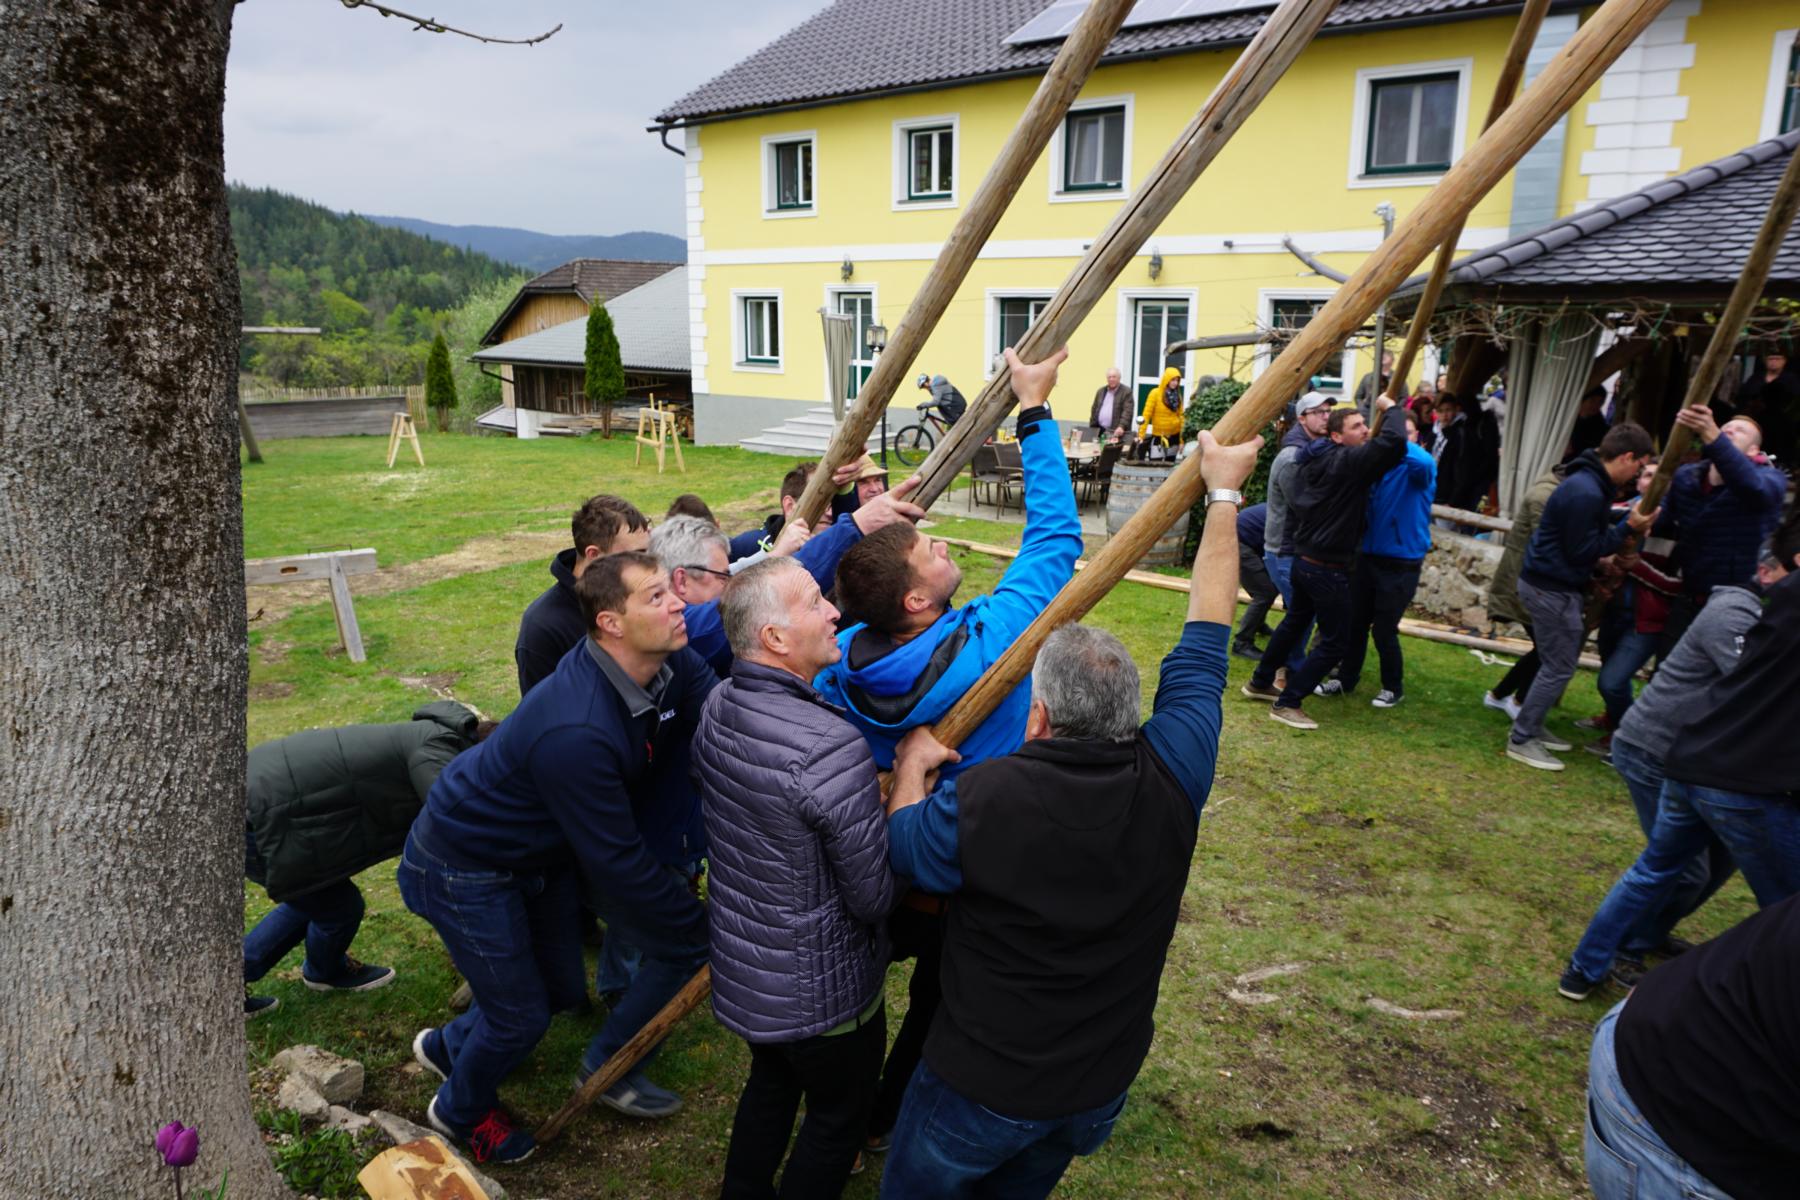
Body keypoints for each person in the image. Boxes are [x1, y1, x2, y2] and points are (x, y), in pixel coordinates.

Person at [874, 427, 1260, 1199]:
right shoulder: (1175, 769)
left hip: (980, 1087)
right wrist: (1223, 495)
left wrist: (912, 766)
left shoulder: (985, 800)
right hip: (1095, 1087)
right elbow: (1209, 628)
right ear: (1132, 706)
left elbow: (907, 847)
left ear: (1040, 716)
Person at [818, 347, 1082, 1156]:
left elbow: (843, 607)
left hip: (884, 857)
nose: (941, 546)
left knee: (864, 977)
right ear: (917, 599)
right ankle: (880, 1120)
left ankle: (842, 1105)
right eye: (929, 552)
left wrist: (860, 511)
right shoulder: (991, 643)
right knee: (938, 1000)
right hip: (964, 859)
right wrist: (1035, 411)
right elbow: (1055, 539)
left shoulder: (843, 663)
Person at [401, 552, 714, 1165]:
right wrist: (693, 924)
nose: (679, 602)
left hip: (533, 856)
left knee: (557, 990)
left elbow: (717, 705)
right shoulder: (578, 729)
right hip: (463, 864)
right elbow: (616, 862)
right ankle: (458, 1110)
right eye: (655, 596)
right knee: (520, 1017)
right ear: (611, 623)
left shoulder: (666, 660)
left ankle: (446, 1048)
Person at [694, 558, 899, 1199]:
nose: (835, 611)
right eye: (815, 602)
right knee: (836, 1121)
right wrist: (910, 785)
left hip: (753, 977)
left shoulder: (719, 704)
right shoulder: (829, 747)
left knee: (773, 1082)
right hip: (823, 995)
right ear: (776, 638)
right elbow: (872, 896)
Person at [1555, 548, 1788, 1002]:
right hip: (1655, 750)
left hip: (1708, 763)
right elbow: (1760, 685)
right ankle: (1612, 954)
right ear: (1764, 570)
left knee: (1719, 860)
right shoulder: (1733, 613)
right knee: (1679, 871)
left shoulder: (1767, 616)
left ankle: (1646, 935)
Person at [243, 702, 491, 1016]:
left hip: (263, 800)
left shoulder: (437, 736)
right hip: (261, 817)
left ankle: (320, 970)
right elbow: (453, 822)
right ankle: (233, 980)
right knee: (338, 908)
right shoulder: (436, 752)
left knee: (317, 899)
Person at [1585, 895, 1800, 1200]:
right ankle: (1590, 965)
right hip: (1683, 1108)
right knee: (1664, 875)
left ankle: (1628, 946)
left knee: (1691, 875)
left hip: (1667, 1032)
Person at [1658, 509, 1800, 905]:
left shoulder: (1775, 606)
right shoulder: (1738, 611)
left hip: (1711, 760)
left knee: (1672, 871)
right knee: (1780, 903)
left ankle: (1635, 938)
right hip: (1717, 766)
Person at [1244, 396, 1406, 730]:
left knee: (1294, 623)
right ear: (1336, 436)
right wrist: (1390, 408)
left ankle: (1260, 681)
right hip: (1326, 568)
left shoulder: (1318, 456)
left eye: (1365, 424)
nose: (1365, 430)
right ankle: (1288, 702)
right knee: (1336, 641)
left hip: (1305, 560)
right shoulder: (1346, 461)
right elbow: (1394, 443)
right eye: (1357, 427)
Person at [1506, 424, 1657, 771]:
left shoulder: (1591, 484)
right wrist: (1627, 528)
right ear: (1627, 457)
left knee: (1555, 664)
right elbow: (1583, 550)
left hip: (1554, 585)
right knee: (1558, 667)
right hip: (1551, 589)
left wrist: (1618, 526)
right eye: (1639, 466)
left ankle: (1531, 726)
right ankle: (1522, 738)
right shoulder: (1586, 490)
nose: (1637, 475)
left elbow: (1580, 535)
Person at [1320, 408, 1435, 707]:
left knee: (1384, 630)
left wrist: (1397, 441)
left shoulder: (1419, 469)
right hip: (1368, 557)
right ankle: (1346, 679)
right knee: (1355, 624)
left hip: (1402, 562)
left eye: (1407, 434)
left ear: (1417, 438)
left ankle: (1392, 687)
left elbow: (1423, 461)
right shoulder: (1378, 467)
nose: (1400, 440)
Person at [1654, 405, 1787, 649]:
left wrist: (1715, 435)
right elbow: (1663, 519)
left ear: (1754, 450)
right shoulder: (1687, 476)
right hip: (1689, 595)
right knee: (1668, 666)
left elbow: (1752, 488)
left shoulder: (1771, 479)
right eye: (1726, 427)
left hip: (1737, 601)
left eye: (1740, 431)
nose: (1730, 430)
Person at [516, 495, 650, 696]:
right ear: (594, 555)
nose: (647, 564)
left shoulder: (647, 597)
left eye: (647, 552)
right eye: (636, 555)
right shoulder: (543, 626)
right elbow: (545, 708)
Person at [1482, 464, 1564, 718]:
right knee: (1548, 647)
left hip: (1529, 580)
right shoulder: (1545, 495)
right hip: (1527, 582)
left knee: (1545, 647)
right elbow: (1548, 540)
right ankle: (1517, 702)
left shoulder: (1551, 491)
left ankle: (1500, 696)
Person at [1260, 392, 1331, 677]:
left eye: (1328, 411)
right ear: (1302, 418)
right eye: (1319, 412)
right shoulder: (1292, 457)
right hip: (1283, 550)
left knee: (1300, 613)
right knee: (1302, 614)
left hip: (1296, 548)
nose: (1326, 416)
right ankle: (1289, 669)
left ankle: (1284, 668)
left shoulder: (1313, 449)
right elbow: (1304, 504)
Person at [1727, 347, 1797, 462]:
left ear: (1784, 361)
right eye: (1770, 359)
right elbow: (1743, 397)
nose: (1773, 362)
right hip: (1754, 420)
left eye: (1777, 359)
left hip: (1780, 422)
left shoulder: (1791, 379)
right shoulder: (1756, 378)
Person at [1232, 501, 1277, 661]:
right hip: (1240, 541)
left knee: (1269, 587)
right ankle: (1242, 644)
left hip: (1249, 539)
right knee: (1264, 593)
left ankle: (1257, 625)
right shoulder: (1295, 514)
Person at [1137, 367, 1184, 457]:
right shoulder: (1155, 393)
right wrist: (1141, 435)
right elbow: (1146, 415)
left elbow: (1182, 417)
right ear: (1166, 379)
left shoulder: (1177, 395)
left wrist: (1182, 440)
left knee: (1170, 463)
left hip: (1175, 436)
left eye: (1177, 380)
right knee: (1155, 462)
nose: (1175, 383)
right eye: (1173, 380)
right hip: (1159, 436)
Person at [1564, 386, 1611, 461]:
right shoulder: (1566, 415)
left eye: (1600, 402)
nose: (1596, 405)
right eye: (1592, 400)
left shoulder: (1600, 426)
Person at [1088, 367, 1130, 442]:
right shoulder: (1100, 391)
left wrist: (1122, 426)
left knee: (1110, 449)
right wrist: (1092, 427)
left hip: (1115, 432)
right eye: (1109, 377)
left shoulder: (1126, 392)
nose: (1111, 379)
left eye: (1114, 377)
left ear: (1119, 378)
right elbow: (1094, 409)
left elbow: (1128, 411)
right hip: (1099, 430)